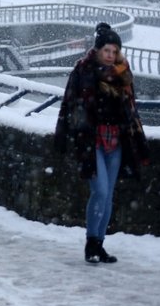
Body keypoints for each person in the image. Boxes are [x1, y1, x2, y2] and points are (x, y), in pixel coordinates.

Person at [55, 22, 150, 264]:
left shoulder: (123, 74)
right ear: (97, 50)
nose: (110, 55)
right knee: (100, 190)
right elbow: (68, 104)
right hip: (91, 139)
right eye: (106, 50)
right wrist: (63, 135)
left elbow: (132, 109)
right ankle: (90, 243)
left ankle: (99, 245)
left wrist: (138, 139)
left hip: (116, 140)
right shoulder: (83, 70)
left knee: (108, 197)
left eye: (114, 51)